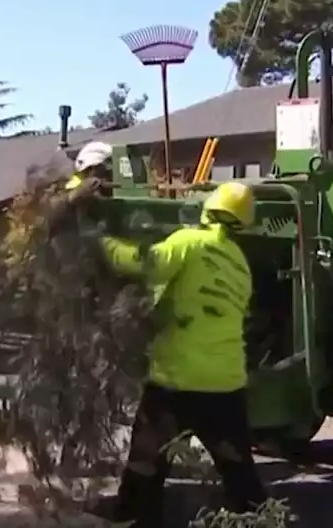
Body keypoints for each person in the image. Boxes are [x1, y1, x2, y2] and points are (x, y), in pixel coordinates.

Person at [102, 181, 268, 528]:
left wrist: (103, 244)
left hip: (175, 384)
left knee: (145, 470)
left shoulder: (188, 242)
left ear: (209, 209)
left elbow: (145, 263)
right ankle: (263, 520)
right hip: (226, 387)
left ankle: (134, 521)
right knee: (240, 475)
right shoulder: (241, 266)